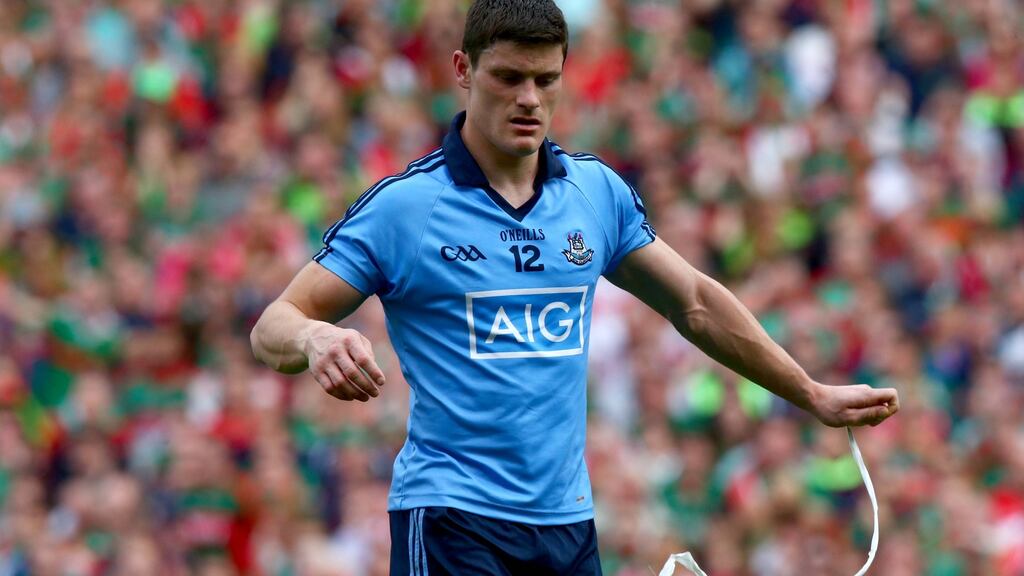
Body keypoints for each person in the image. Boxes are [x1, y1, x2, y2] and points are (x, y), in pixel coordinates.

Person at [250, 1, 900, 573]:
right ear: (463, 70)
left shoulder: (595, 195)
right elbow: (272, 324)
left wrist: (809, 392)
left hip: (566, 524)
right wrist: (313, 336)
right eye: (508, 78)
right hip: (452, 517)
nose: (528, 98)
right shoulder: (406, 209)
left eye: (545, 80)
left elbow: (696, 304)